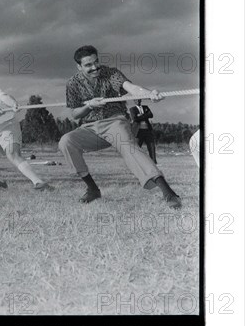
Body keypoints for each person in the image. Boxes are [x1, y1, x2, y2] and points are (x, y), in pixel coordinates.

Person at [59, 45, 181, 208]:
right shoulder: (72, 84)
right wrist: (89, 106)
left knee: (129, 147)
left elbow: (131, 88)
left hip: (114, 122)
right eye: (88, 65)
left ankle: (168, 193)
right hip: (89, 127)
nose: (94, 67)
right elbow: (74, 114)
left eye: (96, 62)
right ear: (79, 67)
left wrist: (149, 93)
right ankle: (93, 189)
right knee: (66, 141)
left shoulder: (111, 74)